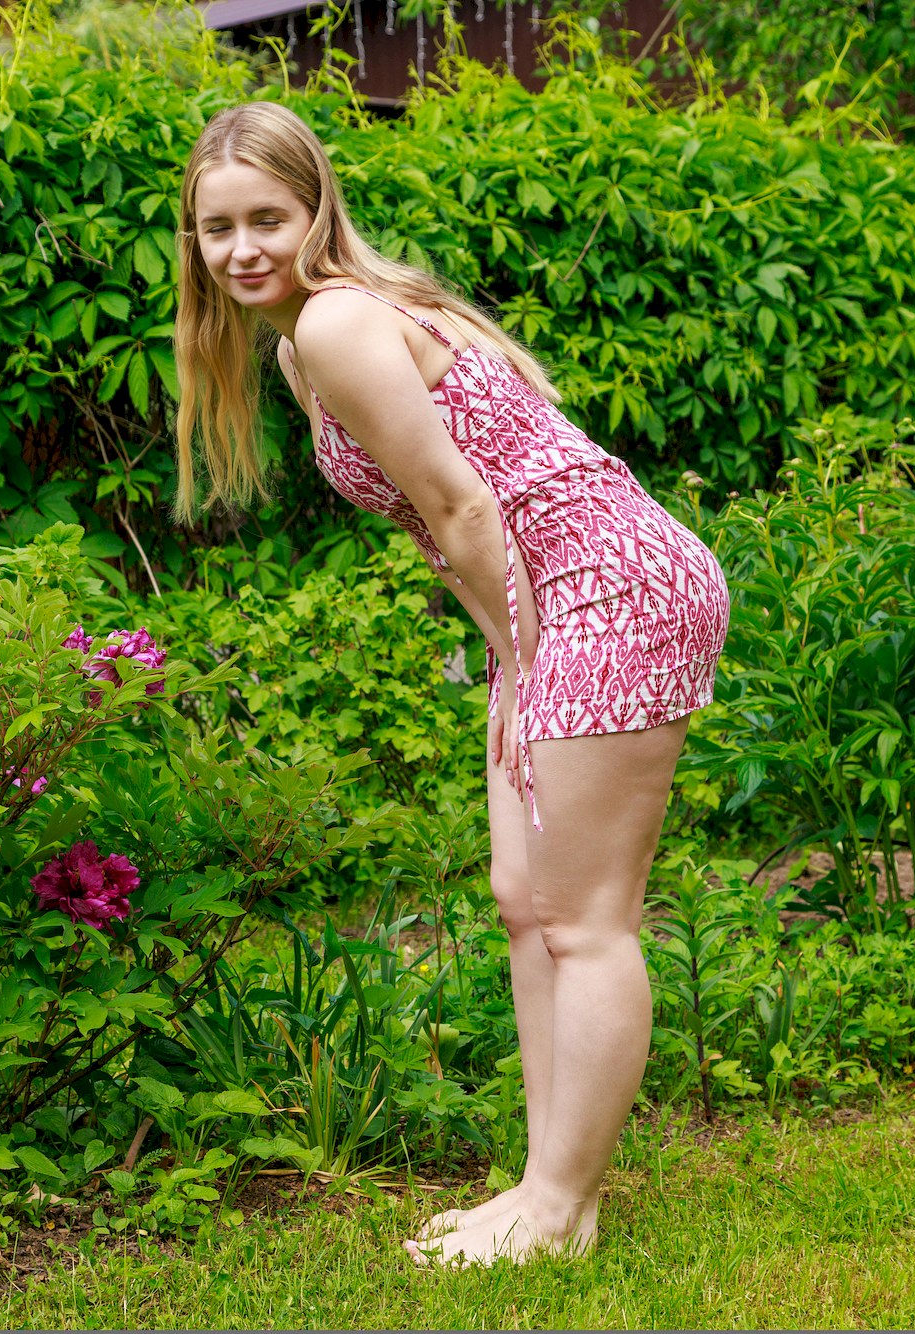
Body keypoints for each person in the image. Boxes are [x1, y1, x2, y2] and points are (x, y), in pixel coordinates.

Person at [169, 100, 730, 1266]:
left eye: (266, 217)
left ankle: (560, 1209)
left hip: (610, 585)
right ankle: (541, 1190)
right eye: (217, 227)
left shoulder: (335, 320)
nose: (242, 249)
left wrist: (519, 661)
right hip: (551, 595)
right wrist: (509, 655)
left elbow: (462, 505)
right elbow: (455, 518)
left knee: (582, 917)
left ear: (314, 208)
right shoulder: (307, 339)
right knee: (524, 901)